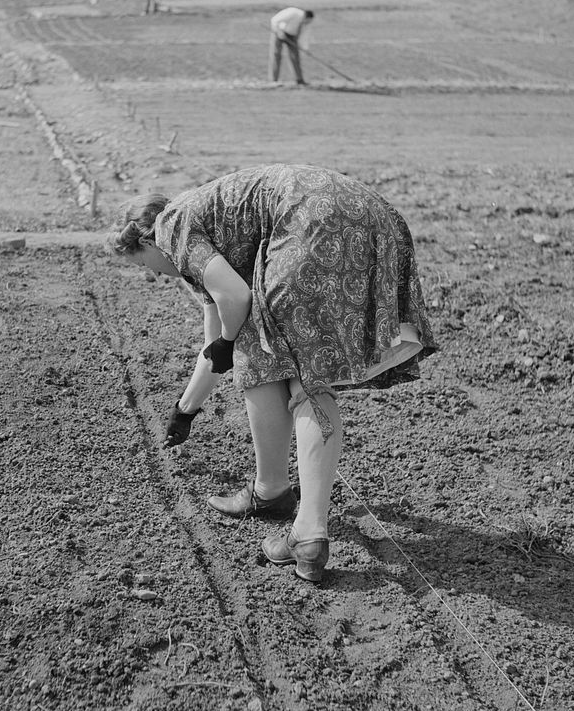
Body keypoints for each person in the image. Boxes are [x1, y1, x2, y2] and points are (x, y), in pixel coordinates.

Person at [107, 164, 438, 583]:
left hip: (315, 223)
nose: (157, 273)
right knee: (264, 354)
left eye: (146, 264)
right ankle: (272, 492)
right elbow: (218, 345)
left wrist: (229, 341)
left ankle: (307, 532)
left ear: (146, 238)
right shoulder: (207, 237)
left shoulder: (171, 226)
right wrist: (185, 409)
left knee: (305, 378)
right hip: (368, 216)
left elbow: (235, 299)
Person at [270, 7, 313, 85]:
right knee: (277, 55)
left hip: (292, 36)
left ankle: (299, 80)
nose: (307, 23)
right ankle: (274, 80)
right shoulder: (293, 13)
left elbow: (305, 36)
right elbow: (274, 20)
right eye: (308, 21)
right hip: (280, 32)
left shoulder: (306, 24)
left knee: (295, 57)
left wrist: (306, 49)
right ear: (306, 17)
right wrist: (279, 32)